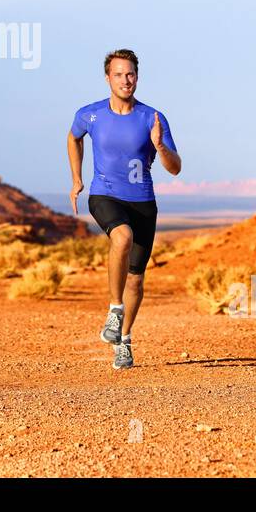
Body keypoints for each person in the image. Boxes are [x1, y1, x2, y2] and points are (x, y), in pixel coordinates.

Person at [67, 48, 181, 369]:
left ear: (137, 77)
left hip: (143, 202)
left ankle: (124, 339)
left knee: (136, 280)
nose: (125, 80)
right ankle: (115, 311)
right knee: (121, 238)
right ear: (108, 78)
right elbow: (73, 138)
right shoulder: (89, 115)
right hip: (105, 195)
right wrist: (77, 178)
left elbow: (175, 167)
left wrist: (159, 145)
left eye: (130, 74)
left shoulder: (152, 118)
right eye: (118, 74)